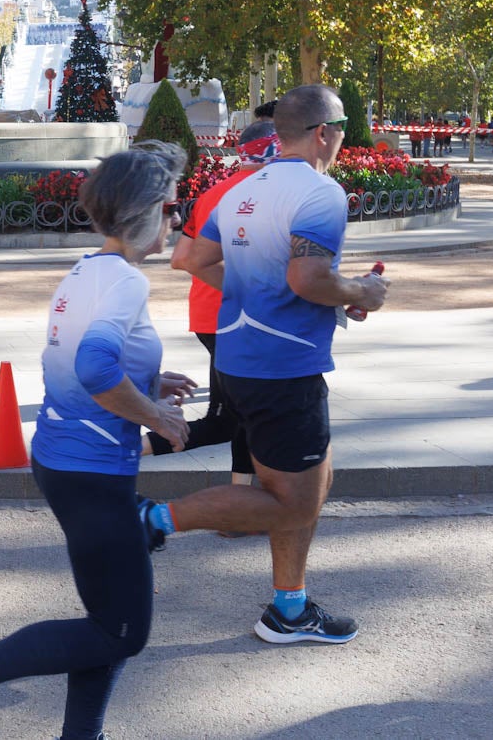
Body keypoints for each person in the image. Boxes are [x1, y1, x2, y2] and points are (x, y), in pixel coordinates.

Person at [0, 142, 194, 740]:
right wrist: (155, 413)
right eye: (173, 208)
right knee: (123, 630)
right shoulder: (125, 281)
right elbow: (96, 368)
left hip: (68, 460)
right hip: (91, 470)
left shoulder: (88, 270)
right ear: (146, 212)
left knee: (109, 622)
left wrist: (150, 380)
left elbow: (80, 361)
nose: (177, 221)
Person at [136, 84, 389, 646]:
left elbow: (190, 259)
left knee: (311, 481)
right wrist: (364, 292)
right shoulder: (320, 193)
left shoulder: (246, 190)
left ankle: (290, 609)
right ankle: (150, 522)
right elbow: (307, 278)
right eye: (343, 126)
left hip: (241, 356)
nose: (344, 136)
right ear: (325, 131)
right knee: (294, 499)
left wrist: (270, 293)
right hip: (284, 368)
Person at [157, 122, 279, 493]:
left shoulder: (216, 193)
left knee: (234, 418)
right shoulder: (270, 195)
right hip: (240, 318)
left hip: (209, 315)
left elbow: (180, 258)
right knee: (237, 419)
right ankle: (108, 455)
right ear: (275, 151)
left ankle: (240, 503)